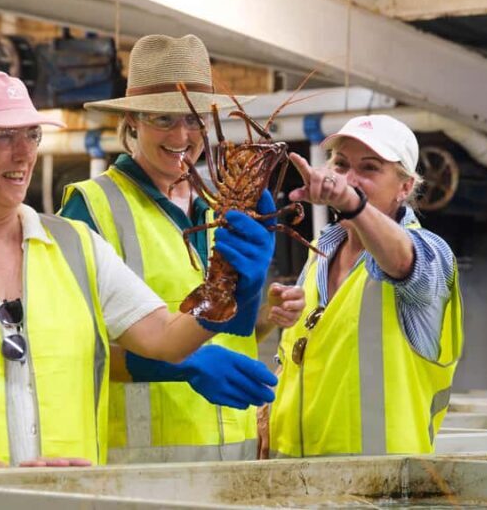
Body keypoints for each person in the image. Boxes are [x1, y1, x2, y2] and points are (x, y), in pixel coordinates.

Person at [0, 68, 278, 470]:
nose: (23, 154)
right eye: (4, 137)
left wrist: (229, 283)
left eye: (31, 136)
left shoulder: (75, 245)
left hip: (71, 497)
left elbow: (165, 338)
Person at [60, 34, 304, 463]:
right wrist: (182, 366)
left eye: (194, 121)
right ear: (132, 121)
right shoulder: (91, 206)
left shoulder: (221, 206)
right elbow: (73, 346)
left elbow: (222, 335)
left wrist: (261, 315)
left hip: (236, 459)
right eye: (164, 120)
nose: (183, 135)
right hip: (140, 468)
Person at [267, 115, 463, 458]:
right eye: (341, 164)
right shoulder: (320, 252)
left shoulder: (429, 254)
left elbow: (403, 263)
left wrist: (352, 204)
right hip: (293, 485)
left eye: (369, 168)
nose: (349, 179)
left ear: (404, 187)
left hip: (380, 488)